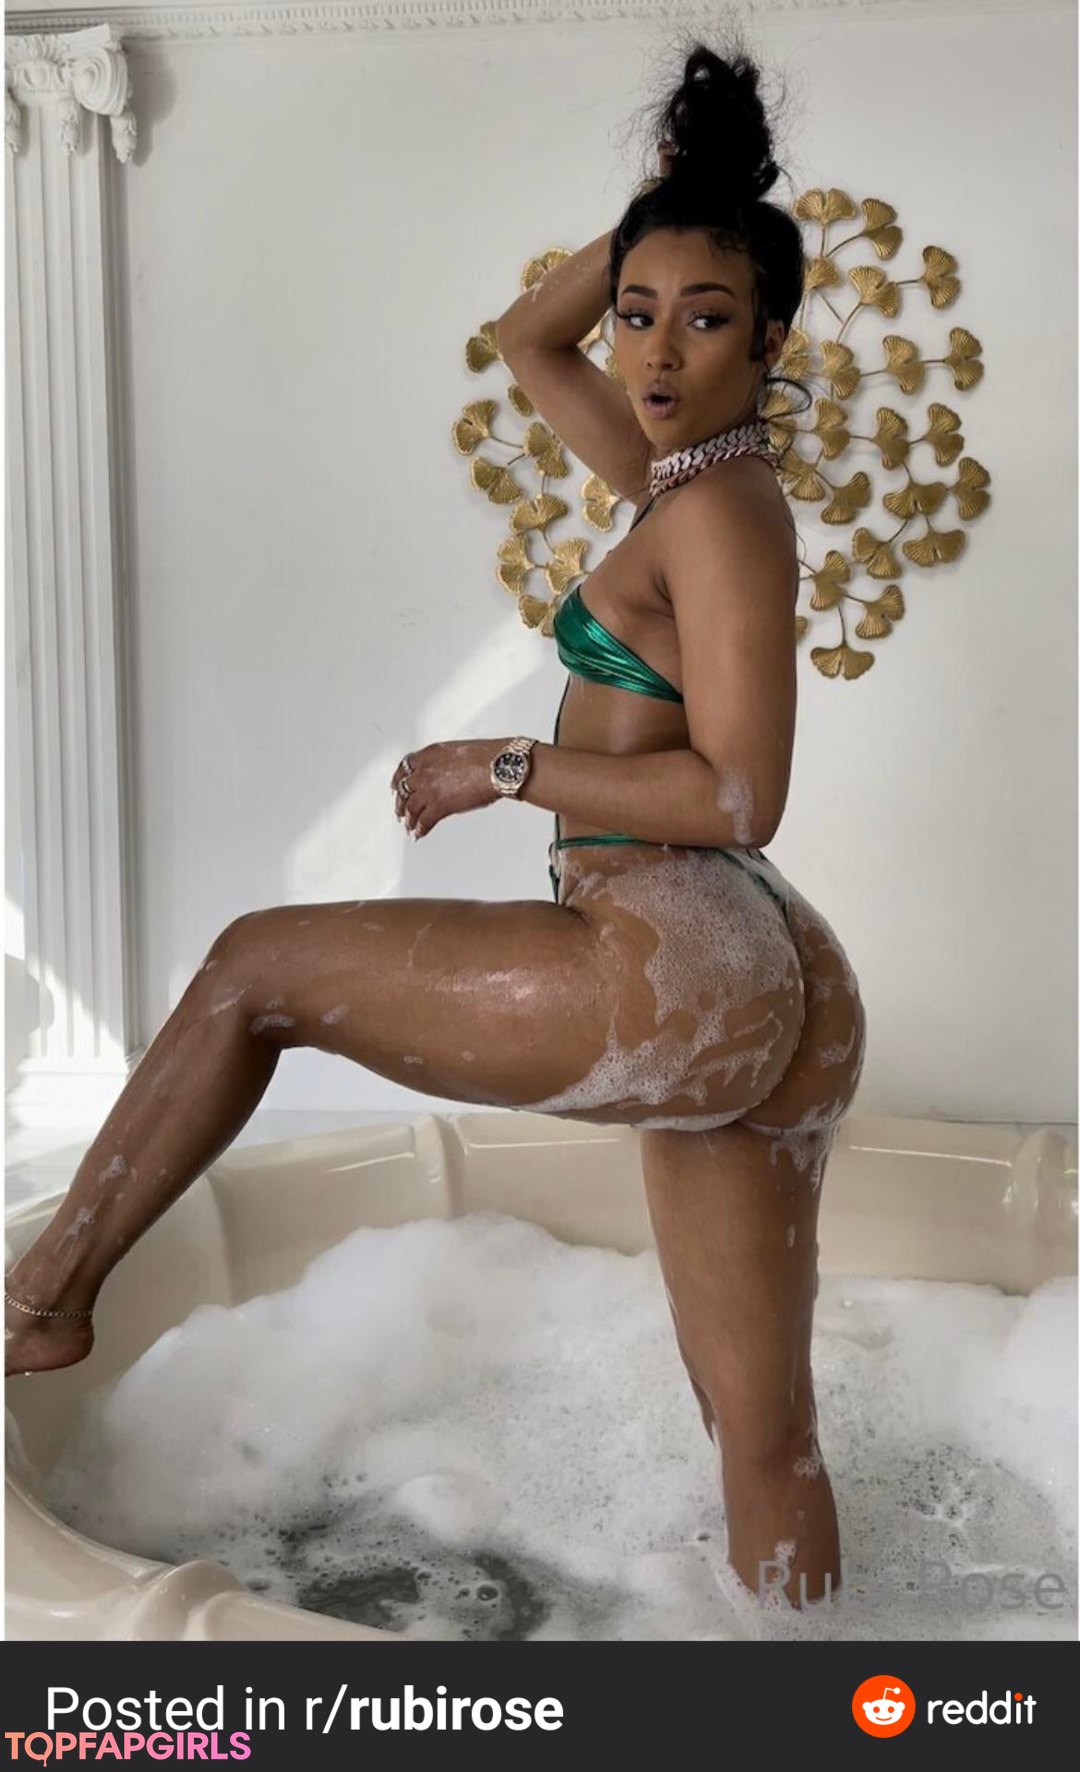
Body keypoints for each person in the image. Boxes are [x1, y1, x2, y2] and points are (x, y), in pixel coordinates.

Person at [5, 36, 865, 1612]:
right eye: (639, 312)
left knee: (255, 966)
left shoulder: (718, 516)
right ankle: (813, 1681)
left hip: (679, 957)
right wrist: (677, 205)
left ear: (771, 338)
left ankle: (38, 1303)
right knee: (764, 1432)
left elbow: (743, 792)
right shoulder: (683, 476)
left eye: (706, 316)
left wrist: (507, 768)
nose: (653, 347)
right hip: (753, 974)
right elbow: (524, 338)